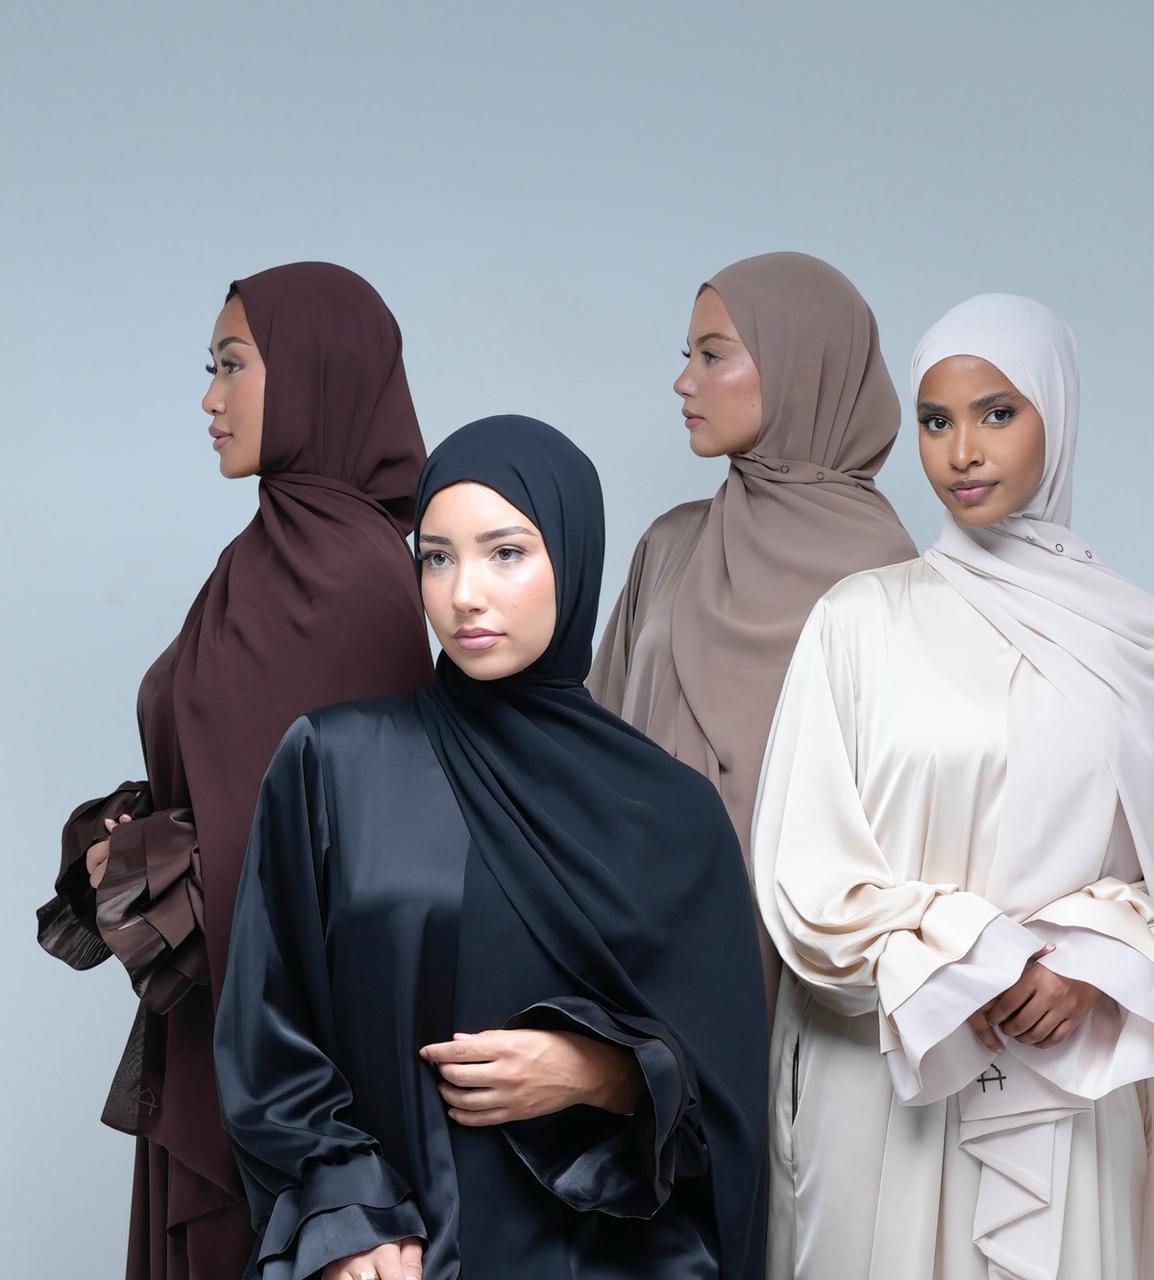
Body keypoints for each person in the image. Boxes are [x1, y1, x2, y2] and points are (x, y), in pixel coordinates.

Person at [214, 416, 769, 1280]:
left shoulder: (670, 813)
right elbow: (266, 1030)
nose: (463, 594)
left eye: (505, 553)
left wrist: (605, 1073)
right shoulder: (335, 762)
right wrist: (348, 1214)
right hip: (394, 1258)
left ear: (573, 559)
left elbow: (730, 1106)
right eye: (437, 558)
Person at [752, 294, 1154, 1279]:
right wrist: (977, 953)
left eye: (998, 413)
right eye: (935, 420)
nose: (962, 451)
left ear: (1057, 413)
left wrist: (1087, 963)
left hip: (1061, 1080)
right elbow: (804, 877)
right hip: (886, 1079)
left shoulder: (1139, 647)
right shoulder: (859, 620)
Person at [37, 262, 432, 1279]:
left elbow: (349, 859)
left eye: (232, 365)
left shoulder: (354, 579)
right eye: (209, 368)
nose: (210, 398)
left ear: (315, 371)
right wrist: (132, 845)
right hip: (214, 1028)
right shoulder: (261, 557)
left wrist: (159, 866)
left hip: (291, 1063)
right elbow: (221, 777)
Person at [589, 252, 916, 1014]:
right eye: (688, 355)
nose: (684, 381)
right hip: (639, 950)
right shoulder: (670, 543)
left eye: (713, 355)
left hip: (813, 980)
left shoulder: (890, 575)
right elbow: (592, 749)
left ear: (801, 366)